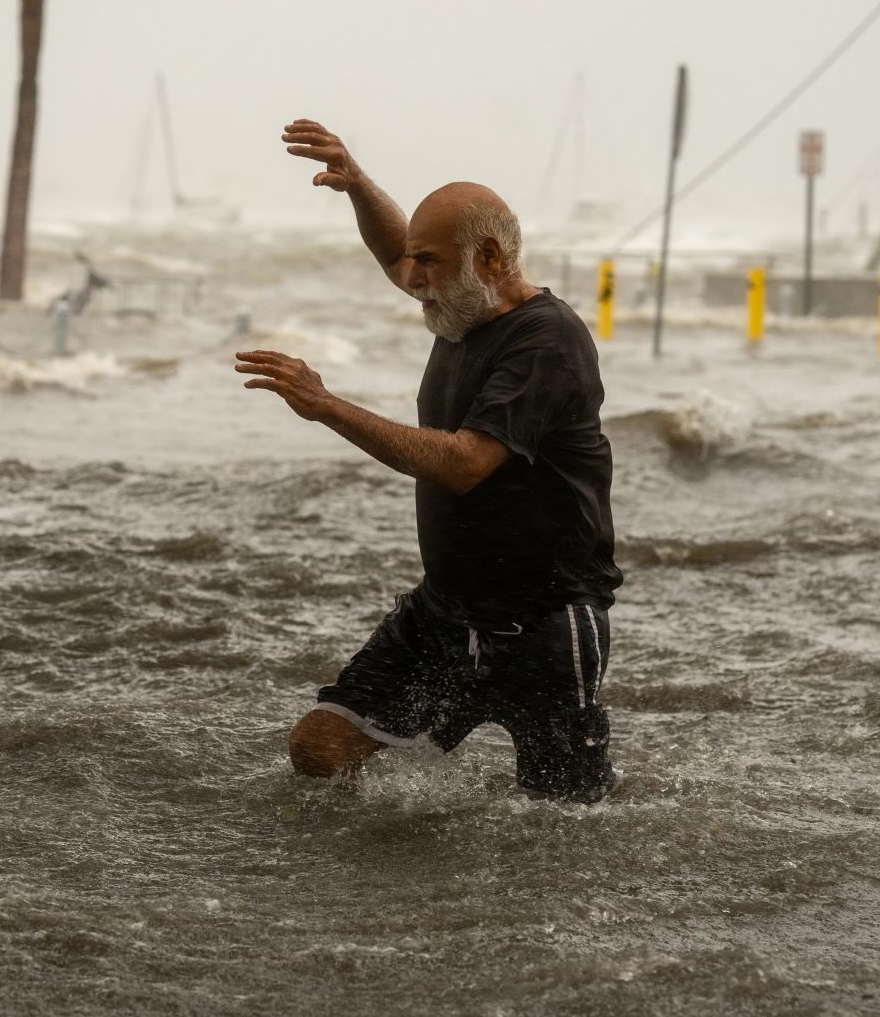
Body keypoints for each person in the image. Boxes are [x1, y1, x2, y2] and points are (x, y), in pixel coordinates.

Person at [235, 119, 623, 802]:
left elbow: (464, 462)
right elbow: (395, 253)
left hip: (545, 626)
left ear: (493, 260)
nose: (414, 278)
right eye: (418, 262)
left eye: (432, 263)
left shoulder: (547, 341)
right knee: (320, 747)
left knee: (563, 824)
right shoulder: (458, 305)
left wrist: (328, 405)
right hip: (444, 616)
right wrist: (357, 184)